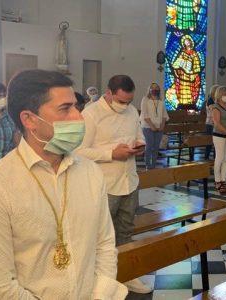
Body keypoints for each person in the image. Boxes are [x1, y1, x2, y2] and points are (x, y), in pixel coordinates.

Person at [0, 69, 127, 299]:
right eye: (65, 108)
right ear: (29, 120)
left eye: (76, 106)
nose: (79, 117)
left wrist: (100, 295)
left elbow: (105, 245)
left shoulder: (91, 173)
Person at [76, 75, 150, 293]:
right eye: (121, 101)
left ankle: (127, 274)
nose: (125, 106)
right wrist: (111, 153)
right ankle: (98, 283)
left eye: (129, 101)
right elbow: (78, 151)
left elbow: (140, 135)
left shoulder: (131, 111)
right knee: (99, 237)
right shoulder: (90, 114)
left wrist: (140, 145)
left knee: (126, 231)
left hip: (129, 180)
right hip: (104, 185)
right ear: (108, 93)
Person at [140, 83, 168, 169]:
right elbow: (144, 114)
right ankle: (148, 165)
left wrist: (162, 125)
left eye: (156, 88)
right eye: (153, 88)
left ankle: (153, 165)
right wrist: (152, 126)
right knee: (149, 146)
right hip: (148, 127)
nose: (155, 89)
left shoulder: (161, 100)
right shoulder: (145, 99)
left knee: (156, 147)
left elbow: (164, 114)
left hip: (159, 127)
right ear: (149, 89)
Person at [204, 84, 220, 159]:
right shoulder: (210, 100)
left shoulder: (217, 100)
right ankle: (206, 157)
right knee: (209, 142)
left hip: (216, 123)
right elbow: (213, 109)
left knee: (216, 142)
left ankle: (216, 157)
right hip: (210, 124)